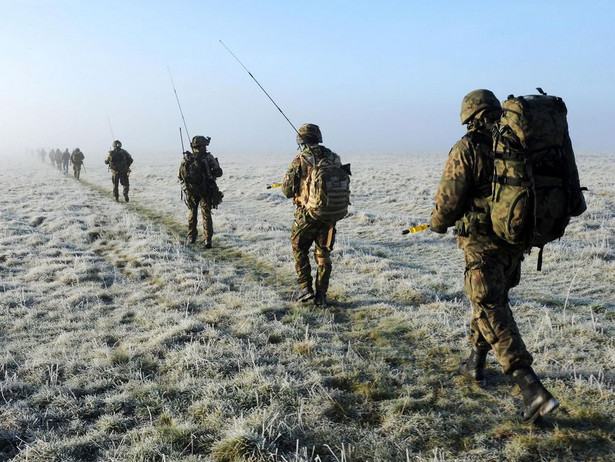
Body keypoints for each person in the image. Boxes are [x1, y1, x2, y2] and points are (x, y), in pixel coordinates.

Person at [429, 89, 559, 424]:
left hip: (481, 243)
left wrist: (437, 223)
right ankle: (475, 362)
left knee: (491, 308)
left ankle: (531, 389)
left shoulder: (467, 148)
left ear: (470, 117)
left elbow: (448, 201)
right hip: (513, 242)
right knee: (489, 302)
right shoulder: (516, 143)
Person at [282, 123, 348, 307]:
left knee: (298, 247)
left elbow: (287, 190)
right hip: (329, 215)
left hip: (307, 214)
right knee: (323, 255)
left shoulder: (301, 159)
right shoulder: (334, 158)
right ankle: (321, 296)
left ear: (301, 140)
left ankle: (305, 288)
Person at [178, 135, 223, 248]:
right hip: (206, 190)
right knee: (206, 214)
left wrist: (187, 187)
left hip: (191, 191)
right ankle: (207, 239)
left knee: (192, 213)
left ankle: (191, 237)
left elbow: (180, 176)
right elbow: (219, 173)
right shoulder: (208, 158)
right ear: (204, 145)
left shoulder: (186, 159)